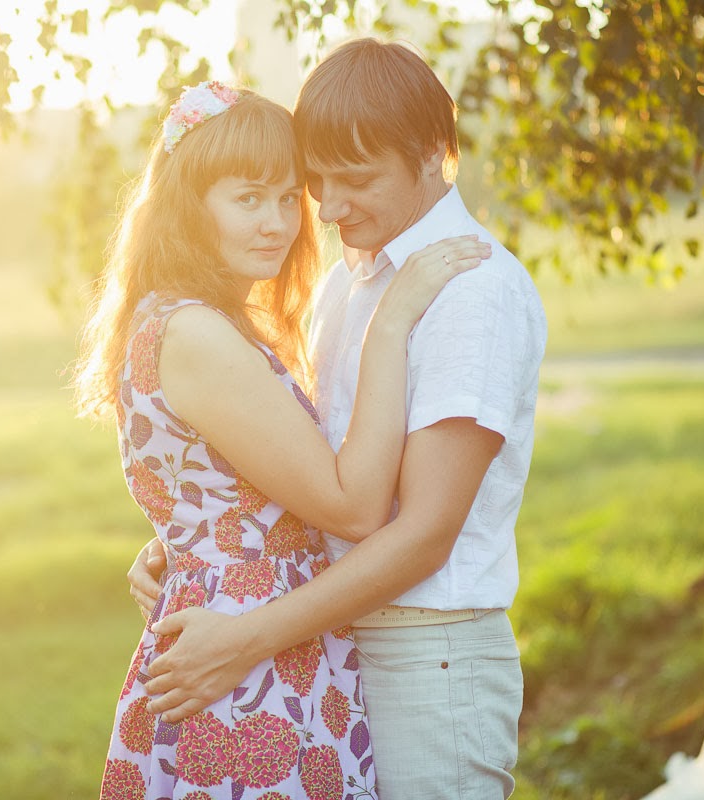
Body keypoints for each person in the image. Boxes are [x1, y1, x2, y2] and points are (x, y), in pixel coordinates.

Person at [127, 38, 548, 799]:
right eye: (316, 183)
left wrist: (244, 637)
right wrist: (194, 543)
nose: (328, 209)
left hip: (429, 659)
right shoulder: (349, 284)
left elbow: (422, 534)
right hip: (334, 647)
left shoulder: (469, 292)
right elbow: (299, 464)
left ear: (431, 154)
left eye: (356, 180)